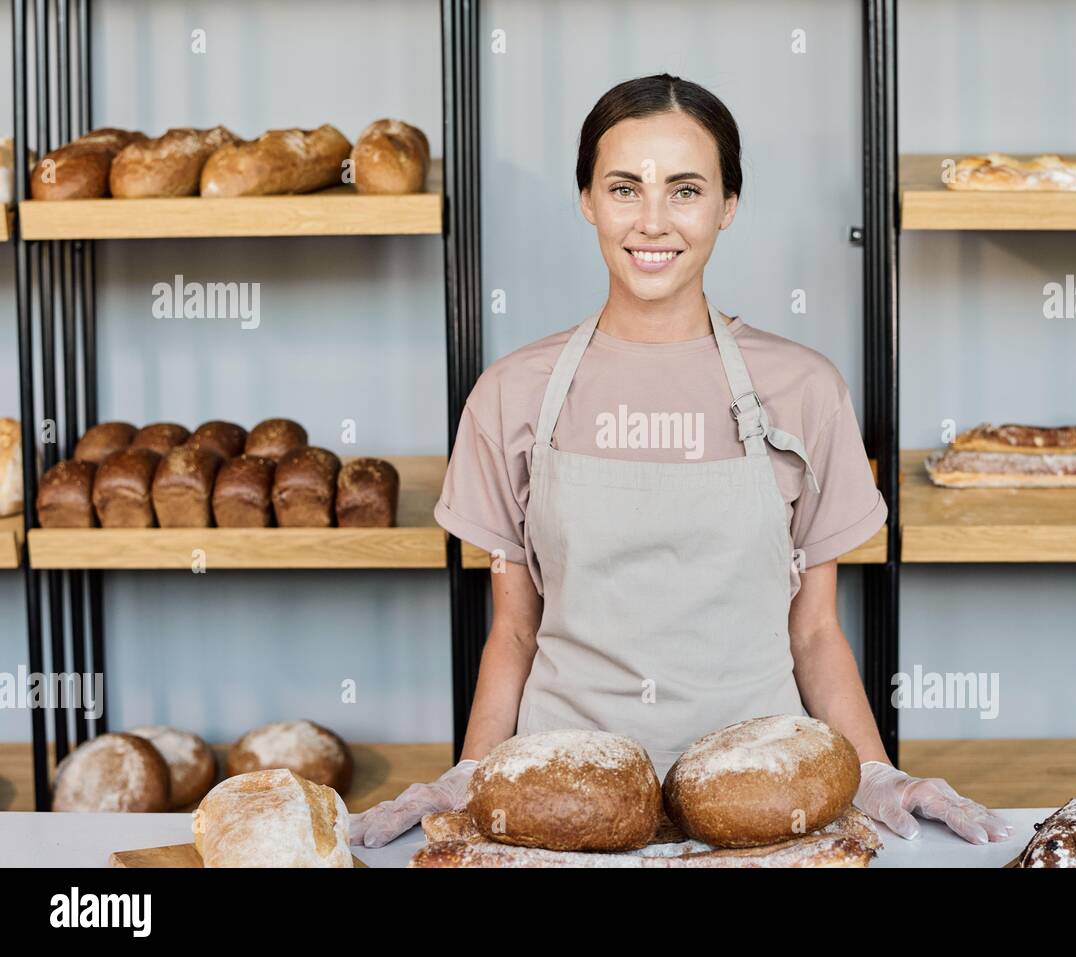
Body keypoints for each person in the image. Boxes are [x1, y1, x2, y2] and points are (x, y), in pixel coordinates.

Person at [352, 73, 1011, 849]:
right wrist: (473, 771)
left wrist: (873, 770)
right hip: (561, 806)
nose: (653, 221)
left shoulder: (803, 390)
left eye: (686, 190)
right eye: (625, 188)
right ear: (587, 200)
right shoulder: (511, 396)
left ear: (728, 205)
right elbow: (515, 629)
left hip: (764, 808)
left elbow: (815, 633)